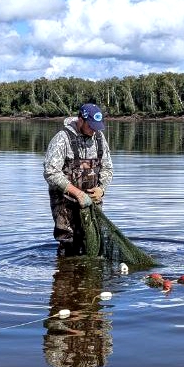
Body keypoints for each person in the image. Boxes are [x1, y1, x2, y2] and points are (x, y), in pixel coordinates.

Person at [43, 102, 113, 255]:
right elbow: (50, 172)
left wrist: (101, 189)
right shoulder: (62, 139)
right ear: (81, 120)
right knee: (69, 244)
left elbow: (107, 168)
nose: (94, 130)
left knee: (91, 241)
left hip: (92, 204)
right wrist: (78, 193)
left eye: (97, 126)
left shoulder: (99, 138)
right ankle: (65, 275)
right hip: (65, 203)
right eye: (91, 126)